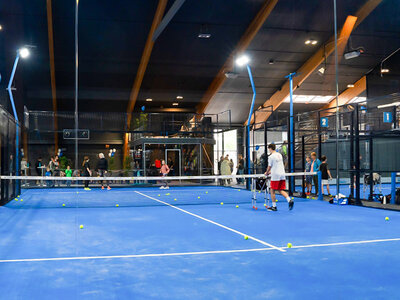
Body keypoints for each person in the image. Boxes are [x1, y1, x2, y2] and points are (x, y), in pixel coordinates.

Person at [265, 143, 294, 211]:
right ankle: (289, 200)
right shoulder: (279, 155)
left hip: (276, 175)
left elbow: (269, 166)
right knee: (280, 190)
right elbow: (276, 166)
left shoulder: (271, 156)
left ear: (270, 148)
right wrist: (270, 172)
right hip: (282, 174)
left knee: (272, 190)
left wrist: (266, 172)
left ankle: (274, 206)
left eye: (269, 149)